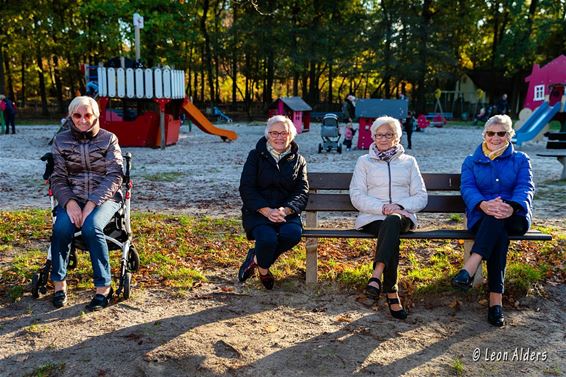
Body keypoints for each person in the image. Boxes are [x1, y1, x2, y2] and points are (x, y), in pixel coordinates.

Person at [451, 114, 534, 327]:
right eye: (491, 133)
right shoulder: (471, 161)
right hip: (482, 215)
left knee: (497, 219)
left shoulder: (521, 159)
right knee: (497, 229)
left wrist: (512, 206)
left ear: (509, 136)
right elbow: (467, 188)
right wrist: (483, 204)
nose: (495, 137)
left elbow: (525, 187)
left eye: (501, 133)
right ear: (484, 134)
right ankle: (495, 303)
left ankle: (470, 266)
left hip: (515, 216)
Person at [50, 96, 124, 311]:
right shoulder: (61, 141)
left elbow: (115, 175)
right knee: (61, 227)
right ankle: (59, 285)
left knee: (92, 226)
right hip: (73, 196)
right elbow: (57, 177)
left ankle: (103, 288)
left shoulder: (109, 139)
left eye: (87, 115)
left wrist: (91, 203)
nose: (83, 120)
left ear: (96, 115)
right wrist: (70, 202)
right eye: (77, 115)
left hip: (105, 197)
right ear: (70, 117)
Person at [349, 116, 428, 320]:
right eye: (379, 135)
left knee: (393, 222)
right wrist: (382, 207)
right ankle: (391, 292)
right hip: (372, 217)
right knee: (389, 229)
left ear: (397, 137)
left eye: (389, 134)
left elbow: (421, 196)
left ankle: (376, 277)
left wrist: (400, 206)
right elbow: (357, 195)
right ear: (373, 136)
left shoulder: (409, 162)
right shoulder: (364, 162)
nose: (383, 139)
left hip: (402, 215)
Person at [238, 115, 309, 289]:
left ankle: (256, 260)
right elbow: (246, 187)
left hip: (286, 213)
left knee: (292, 235)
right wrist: (266, 210)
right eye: (274, 133)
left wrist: (286, 210)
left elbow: (302, 191)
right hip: (258, 212)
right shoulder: (255, 156)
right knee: (267, 239)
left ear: (291, 135)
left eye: (283, 133)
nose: (279, 137)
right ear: (267, 135)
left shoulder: (299, 160)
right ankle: (264, 272)